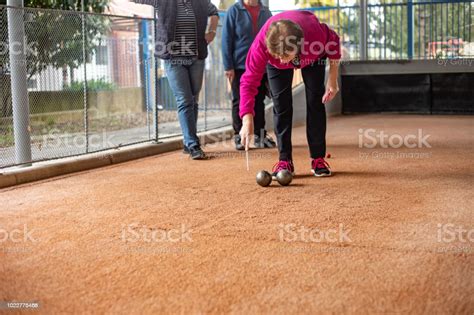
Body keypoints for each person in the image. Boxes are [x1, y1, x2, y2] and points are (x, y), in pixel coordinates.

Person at [239, 10, 341, 177]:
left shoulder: (314, 35)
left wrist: (333, 78)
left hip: (313, 58)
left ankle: (318, 159)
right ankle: (284, 160)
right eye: (276, 55)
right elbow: (248, 81)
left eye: (284, 56)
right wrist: (247, 119)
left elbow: (334, 41)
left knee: (316, 101)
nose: (280, 60)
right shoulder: (262, 46)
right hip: (278, 57)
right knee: (281, 105)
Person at [130, 0, 219, 160]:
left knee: (193, 99)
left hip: (196, 57)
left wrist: (211, 32)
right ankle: (193, 145)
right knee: (184, 100)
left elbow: (214, 12)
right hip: (173, 58)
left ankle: (188, 141)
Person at [221, 0, 275, 151]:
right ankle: (239, 136)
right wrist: (228, 65)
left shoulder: (266, 12)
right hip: (240, 65)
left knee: (259, 100)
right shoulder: (235, 11)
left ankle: (260, 135)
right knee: (239, 100)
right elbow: (226, 39)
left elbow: (272, 37)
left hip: (261, 65)